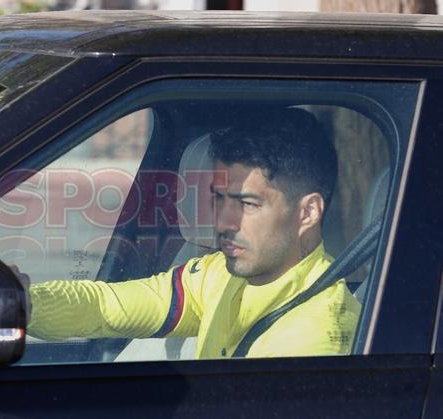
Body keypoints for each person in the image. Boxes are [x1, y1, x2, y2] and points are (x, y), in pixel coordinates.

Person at [18, 107, 360, 359]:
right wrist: (21, 302)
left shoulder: (316, 341)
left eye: (248, 204)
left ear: (308, 212)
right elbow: (106, 306)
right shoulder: (219, 276)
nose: (224, 222)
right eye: (218, 197)